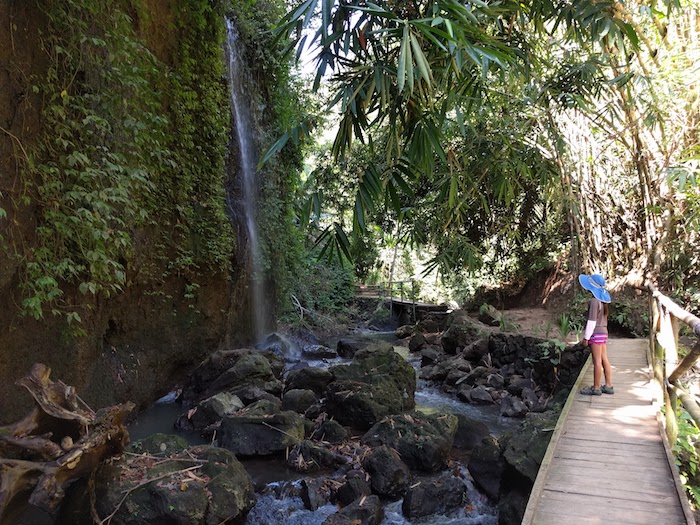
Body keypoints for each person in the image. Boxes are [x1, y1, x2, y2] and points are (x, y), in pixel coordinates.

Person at [578, 273, 614, 396]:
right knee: (604, 359)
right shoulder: (603, 302)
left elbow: (591, 321)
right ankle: (608, 385)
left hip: (596, 333)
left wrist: (586, 338)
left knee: (597, 361)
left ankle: (596, 387)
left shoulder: (594, 301)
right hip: (603, 333)